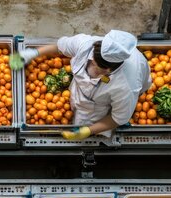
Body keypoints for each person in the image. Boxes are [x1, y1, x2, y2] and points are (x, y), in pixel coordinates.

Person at [11, 30, 151, 140]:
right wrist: (34, 52)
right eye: (92, 61)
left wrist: (88, 130)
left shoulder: (126, 85)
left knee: (88, 129)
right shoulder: (86, 44)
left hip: (100, 105)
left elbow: (117, 118)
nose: (93, 68)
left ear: (110, 70)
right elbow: (60, 47)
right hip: (79, 89)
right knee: (74, 110)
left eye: (98, 69)